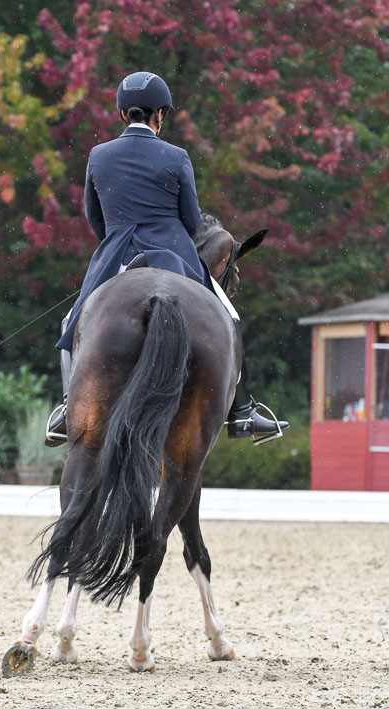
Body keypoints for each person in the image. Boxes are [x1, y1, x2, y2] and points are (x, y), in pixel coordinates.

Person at [46, 72, 288, 446]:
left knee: (72, 321)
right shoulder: (176, 157)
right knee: (228, 317)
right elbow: (192, 221)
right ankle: (243, 413)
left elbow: (94, 217)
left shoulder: (99, 155)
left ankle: (68, 410)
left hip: (116, 257)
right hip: (173, 255)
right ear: (159, 114)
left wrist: (118, 244)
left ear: (124, 115)